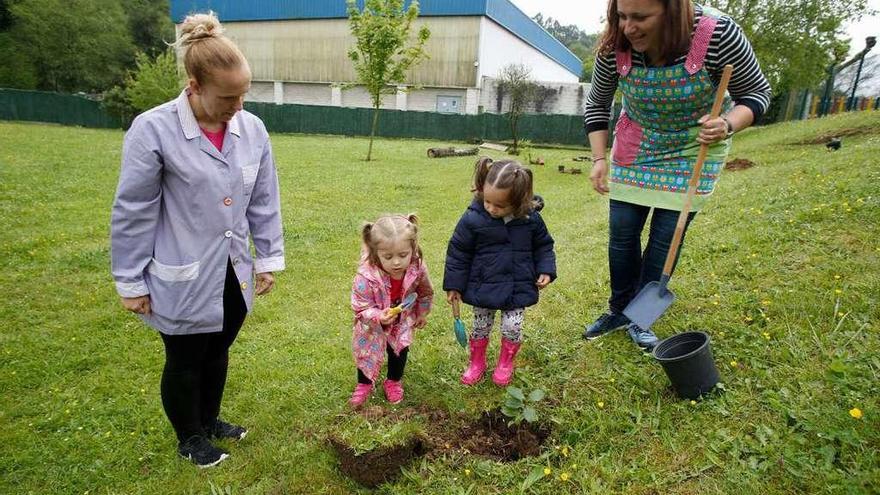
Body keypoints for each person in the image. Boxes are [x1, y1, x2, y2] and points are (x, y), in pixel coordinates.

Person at [110, 12, 285, 467]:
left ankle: (210, 420)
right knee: (186, 356)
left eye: (243, 94)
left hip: (232, 265)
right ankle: (190, 436)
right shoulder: (153, 129)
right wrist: (130, 281)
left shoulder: (253, 130)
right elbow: (134, 210)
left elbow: (264, 199)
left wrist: (267, 258)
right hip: (181, 269)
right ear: (194, 85)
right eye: (228, 96)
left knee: (219, 347)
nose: (238, 105)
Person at [581, 0, 771, 350]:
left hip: (692, 149)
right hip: (637, 145)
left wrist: (727, 124)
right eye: (622, 16)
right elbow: (598, 103)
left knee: (665, 240)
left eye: (640, 17)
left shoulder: (718, 35)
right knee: (622, 235)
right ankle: (619, 310)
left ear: (672, 12)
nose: (628, 27)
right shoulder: (615, 45)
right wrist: (598, 158)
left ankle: (642, 319)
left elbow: (756, 94)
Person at [444, 158, 556, 386]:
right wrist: (454, 284)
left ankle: (505, 362)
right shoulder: (473, 218)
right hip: (483, 284)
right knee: (480, 326)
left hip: (518, 284)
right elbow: (459, 251)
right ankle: (477, 362)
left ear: (519, 201)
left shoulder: (530, 219)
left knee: (512, 326)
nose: (492, 209)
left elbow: (543, 245)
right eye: (487, 201)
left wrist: (546, 268)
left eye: (500, 206)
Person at [349, 214, 434, 407]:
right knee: (366, 352)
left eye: (403, 255)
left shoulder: (417, 268)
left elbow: (425, 292)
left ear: (412, 249)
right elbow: (360, 306)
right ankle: (364, 383)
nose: (396, 262)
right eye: (388, 257)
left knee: (399, 350)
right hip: (372, 326)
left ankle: (393, 380)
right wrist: (379, 316)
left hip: (402, 320)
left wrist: (421, 313)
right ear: (375, 253)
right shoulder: (366, 275)